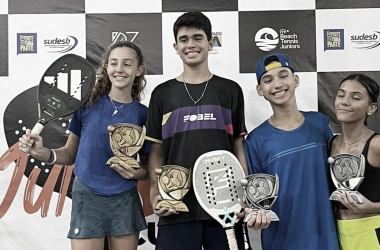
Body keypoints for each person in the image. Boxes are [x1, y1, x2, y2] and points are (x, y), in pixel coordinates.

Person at [19, 41, 150, 250]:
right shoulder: (87, 106)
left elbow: (147, 170)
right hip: (87, 195)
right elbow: (69, 154)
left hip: (124, 198)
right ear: (107, 67)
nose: (119, 69)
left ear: (139, 70)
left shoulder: (144, 114)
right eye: (114, 63)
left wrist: (136, 174)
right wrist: (43, 152)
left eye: (127, 64)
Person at [145, 11, 252, 250]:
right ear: (175, 46)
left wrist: (244, 196)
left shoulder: (230, 90)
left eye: (197, 37)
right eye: (184, 39)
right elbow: (157, 152)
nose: (190, 44)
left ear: (210, 42)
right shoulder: (162, 94)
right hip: (175, 208)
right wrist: (155, 194)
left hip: (225, 208)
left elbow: (237, 147)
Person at [244, 53, 339, 250]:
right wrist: (253, 214)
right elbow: (255, 200)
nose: (277, 84)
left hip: (326, 238)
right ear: (260, 90)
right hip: (281, 241)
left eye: (283, 75)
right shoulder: (255, 140)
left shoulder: (320, 123)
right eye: (268, 80)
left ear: (296, 80)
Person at [328, 73, 380, 250]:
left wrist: (372, 207)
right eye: (341, 95)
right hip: (337, 235)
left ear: (371, 108)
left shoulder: (376, 145)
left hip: (372, 232)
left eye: (355, 97)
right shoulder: (330, 144)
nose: (344, 101)